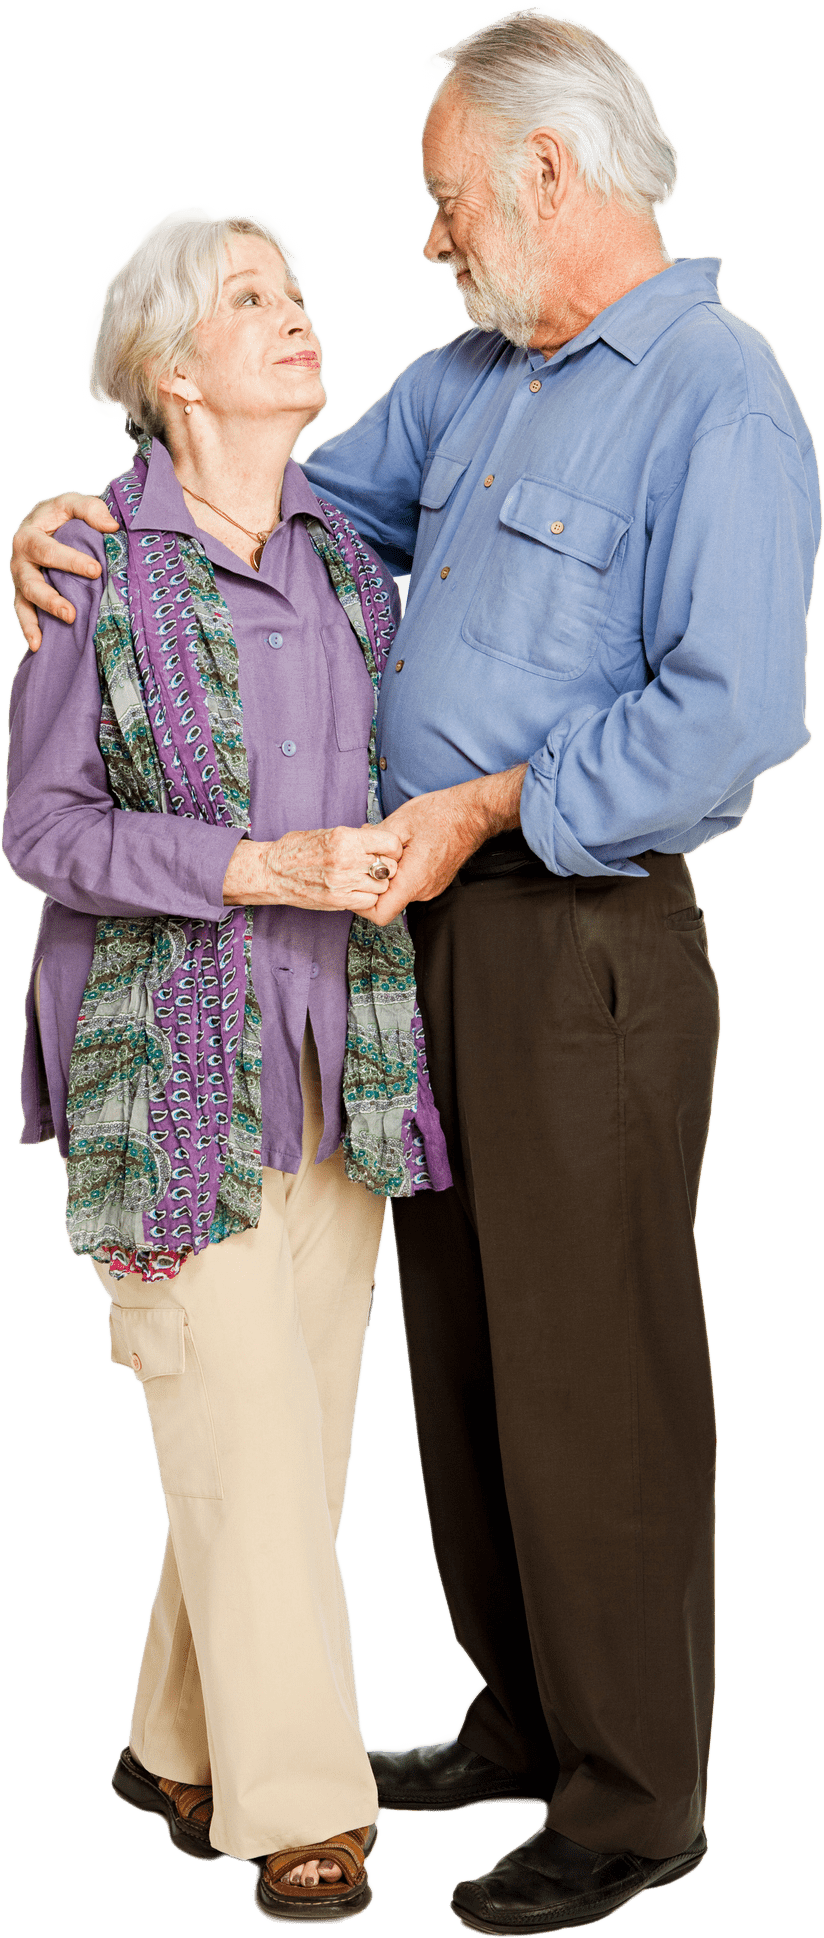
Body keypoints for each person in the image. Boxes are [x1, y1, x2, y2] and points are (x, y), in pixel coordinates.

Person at [8, 10, 820, 1935]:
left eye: (452, 205)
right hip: (396, 949)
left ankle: (635, 1795)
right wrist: (67, 522)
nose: (434, 247)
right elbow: (266, 515)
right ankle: (525, 1715)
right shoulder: (474, 376)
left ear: (554, 173)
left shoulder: (722, 397)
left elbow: (732, 717)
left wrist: (485, 809)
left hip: (578, 943)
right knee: (464, 1365)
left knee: (595, 1375)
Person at [1, 201, 457, 1926]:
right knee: (251, 1449)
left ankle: (172, 1737)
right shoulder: (87, 564)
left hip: (344, 1058)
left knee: (285, 1446)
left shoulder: (350, 561)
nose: (293, 317)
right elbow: (39, 824)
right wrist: (246, 866)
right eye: (251, 299)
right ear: (171, 368)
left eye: (296, 292)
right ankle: (305, 1812)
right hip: (162, 1077)